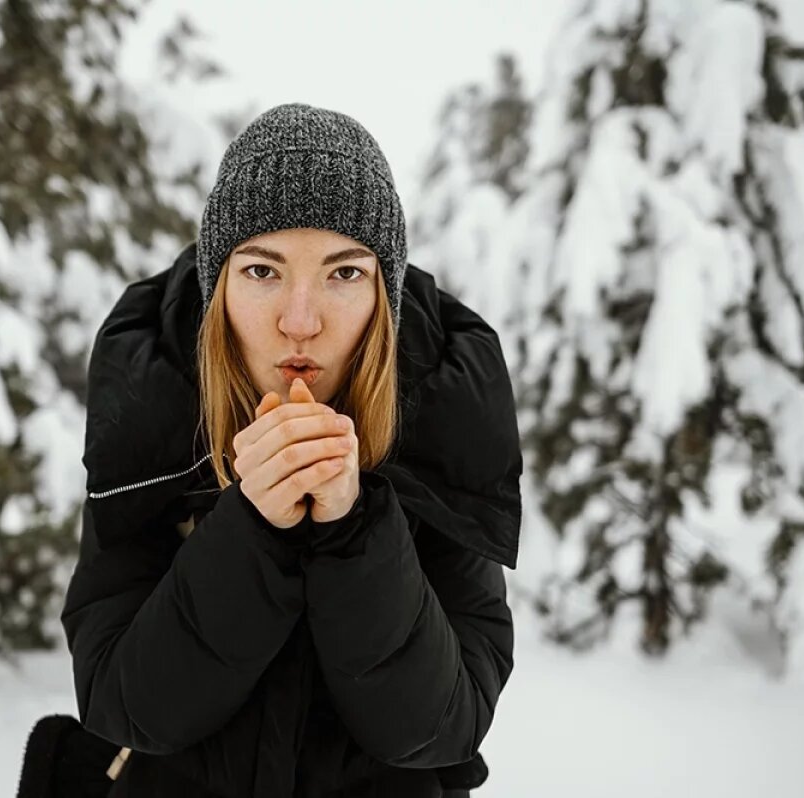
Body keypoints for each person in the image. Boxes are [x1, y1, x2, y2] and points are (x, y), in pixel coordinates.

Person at [59, 102, 522, 798]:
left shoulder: (443, 421)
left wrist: (355, 528)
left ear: (383, 294)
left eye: (343, 274)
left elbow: (440, 726)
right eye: (261, 272)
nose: (299, 322)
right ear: (218, 285)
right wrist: (249, 531)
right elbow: (125, 705)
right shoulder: (153, 410)